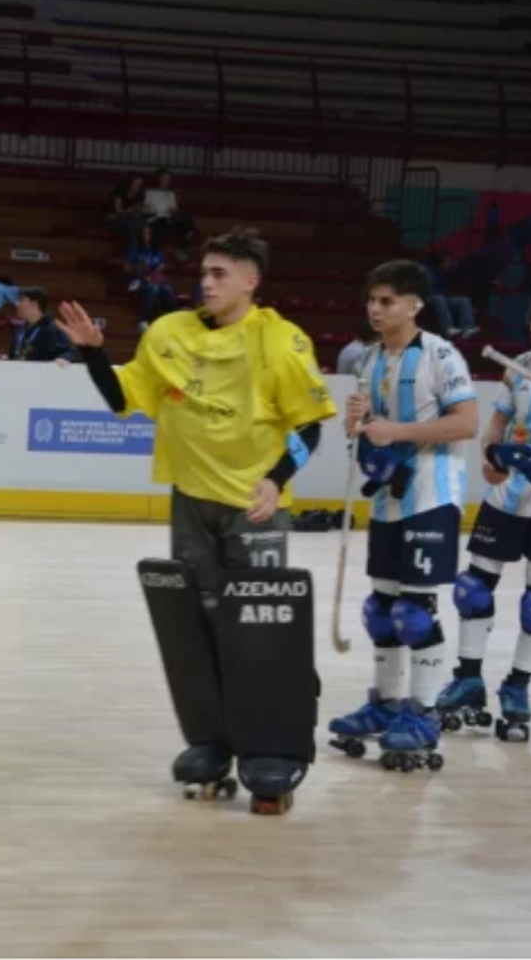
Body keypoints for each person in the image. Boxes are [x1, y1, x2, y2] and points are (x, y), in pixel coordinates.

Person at [56, 228, 337, 811]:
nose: (205, 283)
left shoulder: (282, 342)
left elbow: (310, 425)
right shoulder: (168, 334)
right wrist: (90, 349)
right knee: (199, 628)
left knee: (261, 631)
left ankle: (274, 746)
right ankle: (216, 740)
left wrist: (275, 479)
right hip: (191, 502)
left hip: (252, 507)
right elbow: (121, 399)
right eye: (204, 272)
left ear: (251, 282)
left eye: (220, 274)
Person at [327, 260, 478, 773]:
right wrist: (360, 425)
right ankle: (386, 703)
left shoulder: (441, 355)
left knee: (415, 612)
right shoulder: (367, 359)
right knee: (382, 609)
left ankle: (426, 711)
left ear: (414, 305)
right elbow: (373, 426)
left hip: (432, 496)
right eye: (371, 299)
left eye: (387, 301)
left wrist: (395, 432)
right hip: (389, 499)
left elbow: (466, 424)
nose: (375, 308)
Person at [437, 289, 531, 743]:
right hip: (506, 497)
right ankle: (468, 677)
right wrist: (490, 457)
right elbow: (497, 425)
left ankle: (518, 687)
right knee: (473, 588)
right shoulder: (520, 367)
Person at [12, 288, 73, 362]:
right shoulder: (20, 329)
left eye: (21, 300)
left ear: (34, 304)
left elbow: (67, 352)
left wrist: (63, 358)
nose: (16, 304)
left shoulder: (54, 328)